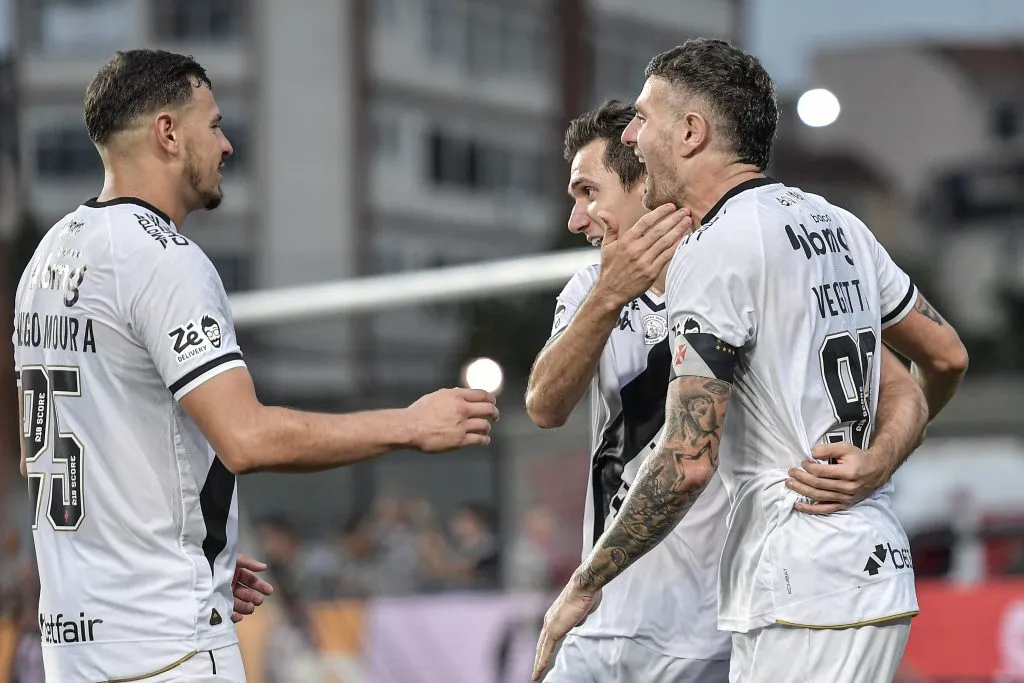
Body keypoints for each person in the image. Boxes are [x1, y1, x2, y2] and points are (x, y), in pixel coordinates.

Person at [11, 49, 498, 683]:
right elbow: (247, 437)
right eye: (212, 125)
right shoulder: (163, 259)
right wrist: (407, 425)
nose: (227, 144)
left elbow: (93, 447)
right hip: (164, 648)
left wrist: (195, 550)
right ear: (167, 132)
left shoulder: (47, 259)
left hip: (74, 647)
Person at [533, 39, 968, 683]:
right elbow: (945, 357)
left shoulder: (720, 245)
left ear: (690, 132)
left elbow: (685, 462)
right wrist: (878, 461)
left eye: (644, 119)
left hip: (801, 576)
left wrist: (584, 583)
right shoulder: (837, 225)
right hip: (857, 566)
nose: (633, 133)